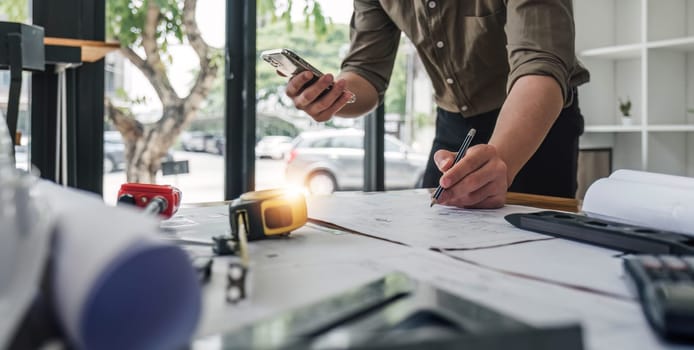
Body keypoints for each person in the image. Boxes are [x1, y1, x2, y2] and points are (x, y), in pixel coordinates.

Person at [282, 1, 589, 209]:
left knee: (537, 255)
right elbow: (366, 72)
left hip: (534, 121)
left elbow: (540, 64)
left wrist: (502, 160)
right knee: (435, 239)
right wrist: (332, 97)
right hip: (454, 122)